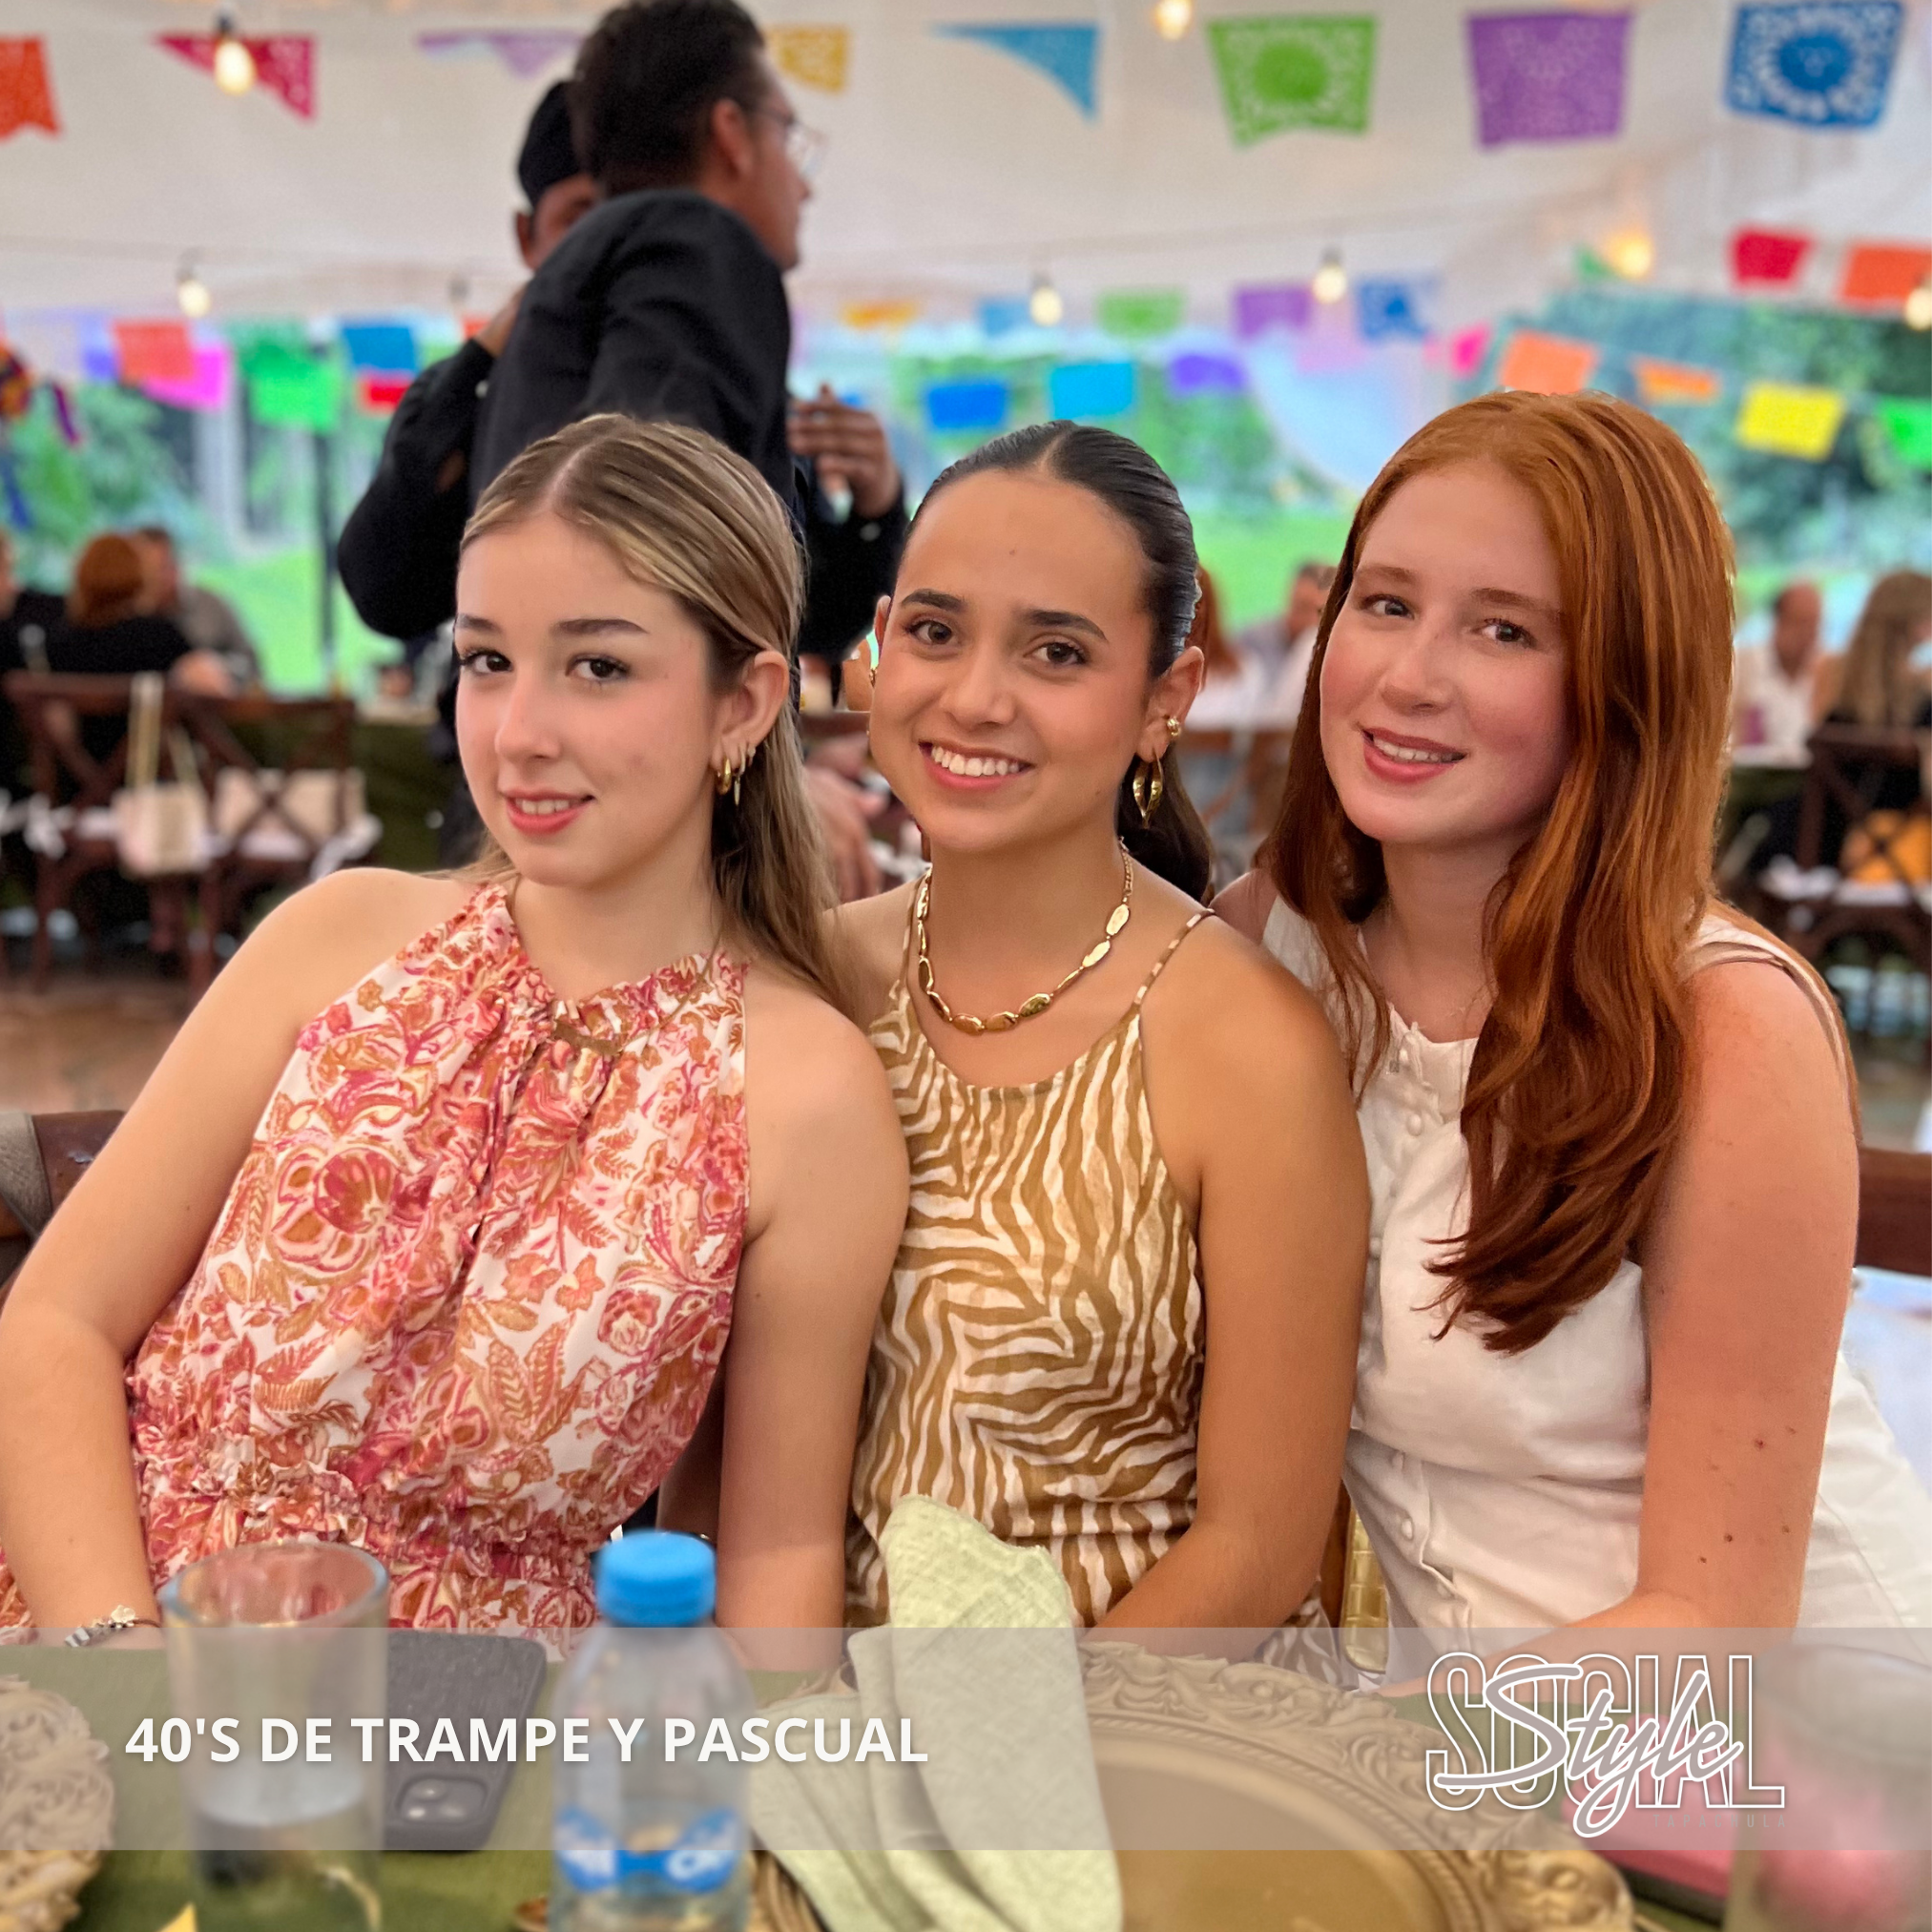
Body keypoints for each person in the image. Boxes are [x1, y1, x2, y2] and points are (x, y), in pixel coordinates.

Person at [0, 417, 907, 1637]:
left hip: (478, 1720)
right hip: (112, 1626)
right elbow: (54, 1323)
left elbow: (777, 1553)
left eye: (598, 666)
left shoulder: (802, 1091)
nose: (518, 731)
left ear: (742, 701)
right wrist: (128, 1678)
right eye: (486, 660)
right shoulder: (338, 939)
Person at [1217, 391, 1932, 1632]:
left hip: (1772, 1724)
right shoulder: (1272, 945)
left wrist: (1380, 1744)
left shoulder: (1725, 1028)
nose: (1409, 677)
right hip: (1477, 1724)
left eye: (1503, 630)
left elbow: (1713, 1634)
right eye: (1384, 604)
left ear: (1625, 682)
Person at [835, 423, 1367, 1631]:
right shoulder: (811, 980)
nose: (975, 697)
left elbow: (1258, 1549)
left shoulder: (1246, 1046)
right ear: (879, 644)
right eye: (935, 633)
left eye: (1057, 653)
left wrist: (1009, 1735)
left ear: (1163, 700)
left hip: (1137, 1709)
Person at [337, 81, 597, 647]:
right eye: (581, 221)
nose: (607, 246)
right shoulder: (470, 397)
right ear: (526, 235)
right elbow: (386, 594)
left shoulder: (709, 377)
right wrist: (477, 359)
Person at [127, 527, 260, 691]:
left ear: (175, 566)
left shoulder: (211, 606)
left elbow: (249, 663)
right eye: (145, 570)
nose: (153, 579)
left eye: (159, 568)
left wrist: (215, 668)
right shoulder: (128, 618)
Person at [1731, 579, 1823, 767]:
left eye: (1813, 624)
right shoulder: (1744, 667)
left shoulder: (1823, 675)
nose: (1807, 633)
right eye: (1799, 622)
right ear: (1778, 620)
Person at [1235, 560, 1335, 726]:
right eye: (1302, 607)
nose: (1312, 620)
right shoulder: (1253, 640)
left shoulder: (1329, 653)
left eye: (1321, 613)